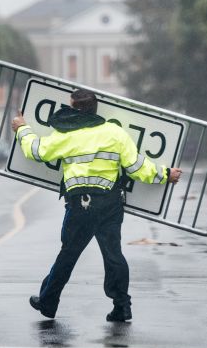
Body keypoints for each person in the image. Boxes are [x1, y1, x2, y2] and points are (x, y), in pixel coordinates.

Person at [10, 88, 182, 322]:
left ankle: (48, 302)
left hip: (80, 205)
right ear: (95, 108)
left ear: (74, 108)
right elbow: (136, 167)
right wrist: (165, 174)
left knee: (68, 254)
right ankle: (122, 306)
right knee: (113, 255)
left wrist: (22, 128)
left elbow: (35, 151)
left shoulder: (66, 134)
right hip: (110, 203)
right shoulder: (114, 132)